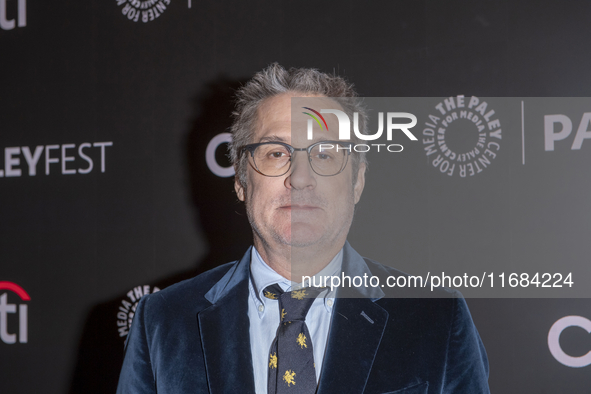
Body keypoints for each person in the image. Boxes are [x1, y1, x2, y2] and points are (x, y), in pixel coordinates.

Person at [116, 64, 490, 394]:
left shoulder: (436, 318)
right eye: (277, 153)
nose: (300, 178)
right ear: (242, 180)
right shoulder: (163, 322)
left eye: (325, 154)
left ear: (357, 180)